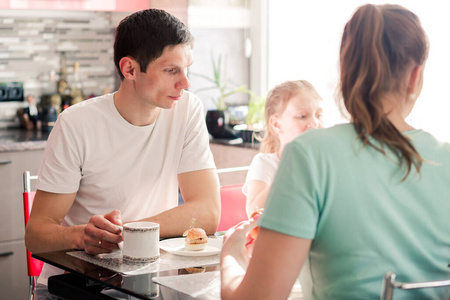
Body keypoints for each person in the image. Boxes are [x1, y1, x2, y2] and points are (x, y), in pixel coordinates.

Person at [221, 4, 450, 300]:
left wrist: (230, 254)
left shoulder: (310, 154)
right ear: (414, 76)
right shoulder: (444, 158)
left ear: (346, 74)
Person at [25, 9, 220, 298]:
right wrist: (82, 235)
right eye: (171, 70)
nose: (185, 83)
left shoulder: (186, 110)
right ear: (129, 69)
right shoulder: (77, 124)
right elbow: (37, 235)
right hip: (76, 285)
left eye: (186, 68)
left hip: (147, 281)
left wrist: (126, 232)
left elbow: (208, 213)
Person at [243, 80, 323, 216]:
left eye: (318, 115)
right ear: (277, 124)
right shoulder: (265, 163)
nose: (314, 123)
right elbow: (254, 212)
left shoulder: (323, 164)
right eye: (302, 116)